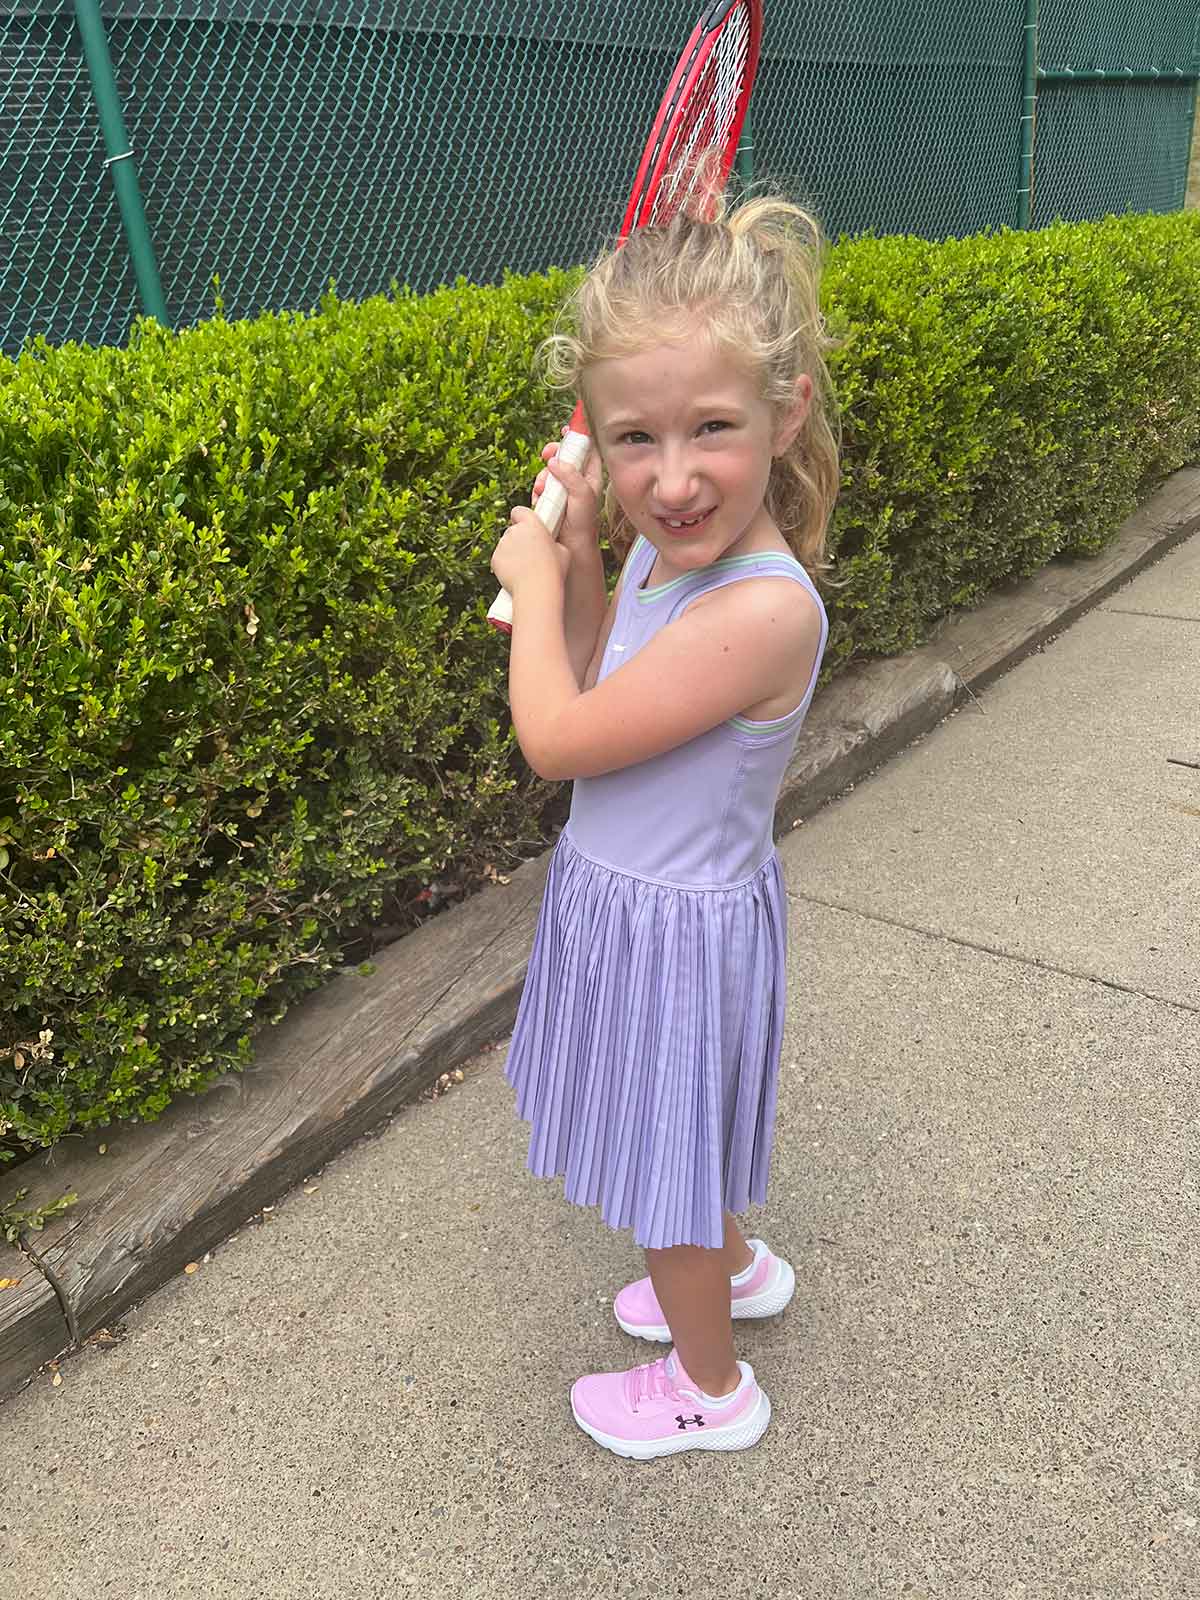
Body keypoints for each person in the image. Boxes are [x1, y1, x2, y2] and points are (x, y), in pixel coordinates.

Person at [489, 190, 840, 1461]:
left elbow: (556, 735)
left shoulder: (761, 611)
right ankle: (735, 1270)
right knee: (679, 1140)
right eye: (635, 438)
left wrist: (528, 586)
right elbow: (597, 670)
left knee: (666, 1174)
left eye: (713, 430)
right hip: (635, 906)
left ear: (785, 414)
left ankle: (709, 1385)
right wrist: (583, 550)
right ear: (597, 428)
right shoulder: (664, 545)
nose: (674, 479)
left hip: (675, 936)